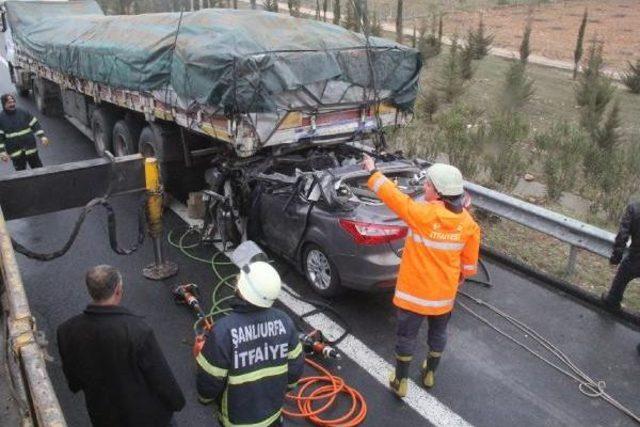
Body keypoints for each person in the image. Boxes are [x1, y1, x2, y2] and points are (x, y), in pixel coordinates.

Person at [362, 154, 481, 397]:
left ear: (438, 194)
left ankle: (400, 381)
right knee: (438, 334)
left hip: (414, 295)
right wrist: (456, 279)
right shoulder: (469, 224)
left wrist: (372, 172)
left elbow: (395, 198)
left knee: (406, 336)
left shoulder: (422, 215)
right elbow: (468, 267)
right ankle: (429, 372)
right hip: (443, 298)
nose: (424, 187)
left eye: (427, 185)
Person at [57, 265, 185, 427]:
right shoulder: (137, 330)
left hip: (104, 417)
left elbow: (74, 381)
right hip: (148, 418)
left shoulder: (66, 330)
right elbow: (160, 376)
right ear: (118, 290)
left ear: (91, 291)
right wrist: (177, 402)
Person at [196, 261, 304, 426]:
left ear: (241, 291)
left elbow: (209, 382)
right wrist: (282, 390)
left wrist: (205, 398)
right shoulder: (285, 321)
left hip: (236, 420)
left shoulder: (223, 331)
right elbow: (295, 370)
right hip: (273, 416)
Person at [601, 201, 640, 312]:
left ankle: (612, 301)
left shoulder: (634, 208)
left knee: (612, 299)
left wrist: (616, 258)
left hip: (633, 260)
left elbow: (622, 236)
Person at [0, 93, 49, 170]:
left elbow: (34, 124)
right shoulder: (1, 119)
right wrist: (2, 152)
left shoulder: (23, 112)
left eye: (13, 102)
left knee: (39, 170)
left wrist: (42, 137)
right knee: (21, 174)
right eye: (9, 103)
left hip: (30, 149)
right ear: (4, 104)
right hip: (15, 152)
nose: (12, 104)